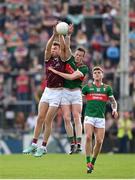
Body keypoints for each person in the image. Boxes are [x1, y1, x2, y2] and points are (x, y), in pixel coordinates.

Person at [23, 25, 66, 157]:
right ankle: (34, 144)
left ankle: (44, 147)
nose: (53, 49)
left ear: (59, 50)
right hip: (47, 91)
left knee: (48, 120)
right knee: (40, 118)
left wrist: (61, 36)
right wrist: (53, 35)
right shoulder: (48, 59)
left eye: (56, 48)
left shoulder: (63, 59)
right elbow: (47, 48)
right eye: (53, 48)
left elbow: (65, 48)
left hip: (58, 93)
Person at [48, 25, 88, 154]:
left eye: (80, 56)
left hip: (76, 93)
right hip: (64, 92)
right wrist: (67, 35)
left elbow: (71, 77)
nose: (78, 57)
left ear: (83, 57)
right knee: (66, 118)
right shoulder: (69, 59)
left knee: (77, 117)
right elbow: (67, 47)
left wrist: (56, 72)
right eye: (77, 54)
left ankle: (79, 144)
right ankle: (72, 144)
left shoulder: (84, 68)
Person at [82, 66, 118, 173]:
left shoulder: (107, 88)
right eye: (95, 72)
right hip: (89, 116)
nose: (97, 74)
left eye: (99, 72)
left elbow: (113, 101)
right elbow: (79, 99)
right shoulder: (87, 87)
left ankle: (92, 163)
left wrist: (114, 109)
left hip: (100, 118)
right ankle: (88, 162)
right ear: (93, 75)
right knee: (88, 137)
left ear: (102, 75)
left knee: (99, 141)